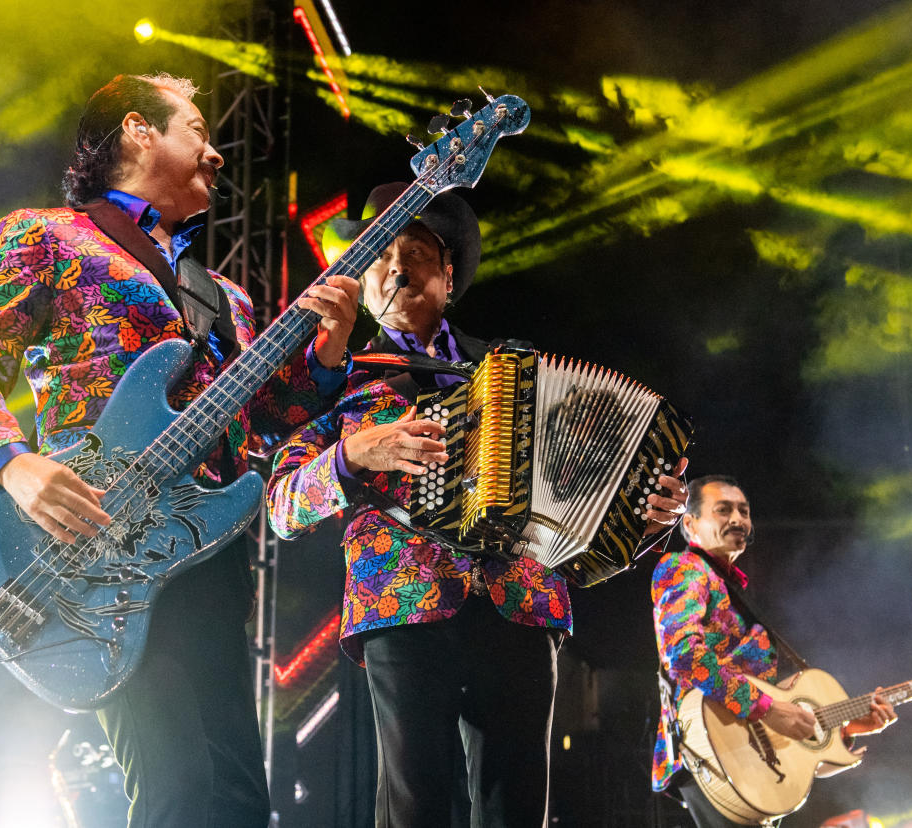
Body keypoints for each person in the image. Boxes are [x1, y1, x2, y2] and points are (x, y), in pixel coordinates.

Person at [0, 72, 360, 827]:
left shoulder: (223, 296)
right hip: (90, 549)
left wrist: (327, 348)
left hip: (202, 551)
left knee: (238, 798)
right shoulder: (47, 234)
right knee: (176, 790)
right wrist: (11, 463)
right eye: (198, 129)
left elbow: (261, 418)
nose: (218, 153)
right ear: (138, 131)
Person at [265, 182, 689, 826]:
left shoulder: (517, 373)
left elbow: (586, 503)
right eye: (377, 253)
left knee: (518, 808)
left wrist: (647, 520)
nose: (395, 267)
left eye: (415, 253)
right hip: (403, 604)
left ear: (449, 273)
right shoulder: (332, 378)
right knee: (416, 807)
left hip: (520, 602)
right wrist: (354, 455)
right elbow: (282, 505)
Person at [651, 475, 898, 827]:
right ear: (689, 524)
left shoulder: (733, 589)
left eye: (744, 511)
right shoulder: (684, 568)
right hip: (710, 751)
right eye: (723, 510)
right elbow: (685, 655)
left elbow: (773, 722)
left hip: (750, 763)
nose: (738, 519)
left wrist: (844, 729)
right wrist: (766, 709)